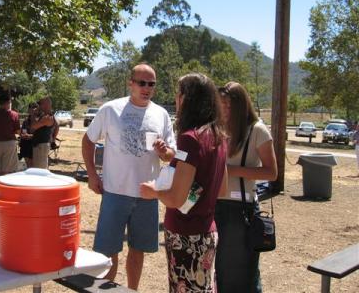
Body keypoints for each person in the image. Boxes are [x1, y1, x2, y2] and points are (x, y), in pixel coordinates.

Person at [81, 63, 176, 290]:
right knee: (107, 253)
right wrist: (92, 175)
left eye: (151, 84)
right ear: (130, 83)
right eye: (141, 83)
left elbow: (172, 154)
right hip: (115, 193)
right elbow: (88, 140)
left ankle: (132, 290)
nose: (146, 88)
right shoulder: (110, 109)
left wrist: (165, 152)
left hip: (147, 195)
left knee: (138, 250)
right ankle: (105, 290)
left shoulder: (161, 114)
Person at [140, 73, 228, 292]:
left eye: (178, 94)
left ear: (188, 99)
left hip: (185, 236)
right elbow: (222, 189)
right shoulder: (218, 136)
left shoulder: (190, 138)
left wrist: (153, 191)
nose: (176, 100)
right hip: (207, 233)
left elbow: (175, 199)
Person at [215, 81, 278, 293]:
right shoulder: (218, 128)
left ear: (241, 105)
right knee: (220, 269)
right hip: (216, 205)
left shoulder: (257, 130)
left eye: (228, 104)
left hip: (241, 208)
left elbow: (271, 172)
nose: (223, 109)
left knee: (244, 272)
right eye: (220, 103)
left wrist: (232, 170)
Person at [30, 96, 58, 168]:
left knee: (40, 169)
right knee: (40, 167)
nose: (39, 106)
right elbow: (57, 127)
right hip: (41, 145)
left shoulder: (47, 117)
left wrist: (32, 114)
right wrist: (53, 139)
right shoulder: (47, 115)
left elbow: (33, 126)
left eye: (40, 104)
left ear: (46, 104)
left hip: (41, 146)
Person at [19, 102, 38, 168]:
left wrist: (30, 136)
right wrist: (23, 135)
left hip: (35, 145)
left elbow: (40, 135)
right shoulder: (26, 121)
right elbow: (22, 132)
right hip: (26, 145)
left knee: (34, 166)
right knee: (28, 165)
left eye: (33, 109)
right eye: (30, 109)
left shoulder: (39, 121)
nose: (31, 111)